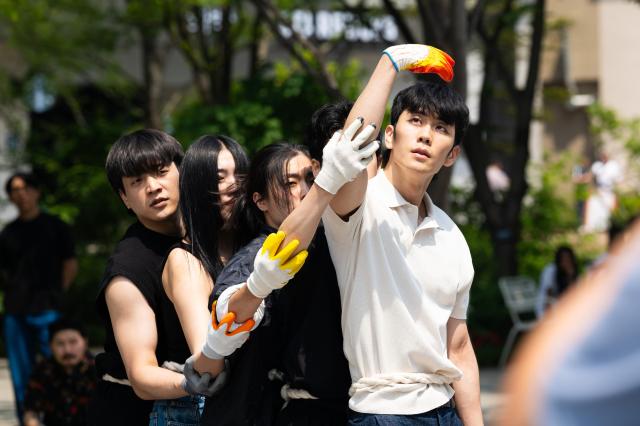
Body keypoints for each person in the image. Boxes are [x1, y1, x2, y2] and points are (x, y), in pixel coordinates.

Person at [195, 141, 356, 425]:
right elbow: (225, 313)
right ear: (260, 200)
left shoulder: (334, 240)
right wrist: (258, 285)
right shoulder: (256, 255)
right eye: (289, 183)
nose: (305, 190)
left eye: (310, 178)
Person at [88, 130, 215, 425]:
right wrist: (190, 383)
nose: (153, 187)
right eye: (137, 181)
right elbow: (142, 374)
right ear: (124, 198)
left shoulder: (210, 233)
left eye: (161, 172)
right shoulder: (128, 270)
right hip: (133, 413)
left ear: (182, 172)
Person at [500, 218, 640, 426]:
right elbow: (548, 298)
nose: (566, 262)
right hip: (554, 313)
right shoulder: (553, 272)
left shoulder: (587, 272)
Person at [151, 135, 249, 424]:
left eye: (240, 175)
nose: (234, 187)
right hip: (193, 410)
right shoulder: (185, 260)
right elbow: (207, 357)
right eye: (220, 178)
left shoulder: (252, 249)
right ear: (196, 188)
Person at [0, 172, 78, 422]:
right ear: (10, 197)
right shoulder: (7, 233)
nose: (20, 194)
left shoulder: (56, 226)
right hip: (15, 310)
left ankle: (64, 417)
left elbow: (70, 264)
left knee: (61, 365)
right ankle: (29, 420)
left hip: (48, 309)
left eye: (25, 188)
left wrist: (59, 293)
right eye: (14, 190)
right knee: (20, 372)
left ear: (36, 191)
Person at [22, 318, 97, 426]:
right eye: (60, 344)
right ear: (50, 346)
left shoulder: (99, 371)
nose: (67, 350)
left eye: (73, 342)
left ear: (85, 342)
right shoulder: (43, 371)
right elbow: (31, 410)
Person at [582, 152, 622, 232]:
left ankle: (609, 227)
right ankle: (592, 227)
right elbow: (591, 177)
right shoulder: (597, 165)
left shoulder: (613, 165)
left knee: (608, 210)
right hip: (599, 190)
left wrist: (616, 192)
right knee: (595, 207)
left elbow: (618, 180)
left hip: (609, 191)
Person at [535, 246, 579, 318]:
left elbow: (572, 292)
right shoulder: (551, 270)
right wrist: (548, 310)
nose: (566, 260)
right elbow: (548, 291)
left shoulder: (571, 270)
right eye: (563, 257)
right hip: (547, 304)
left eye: (568, 257)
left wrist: (570, 276)